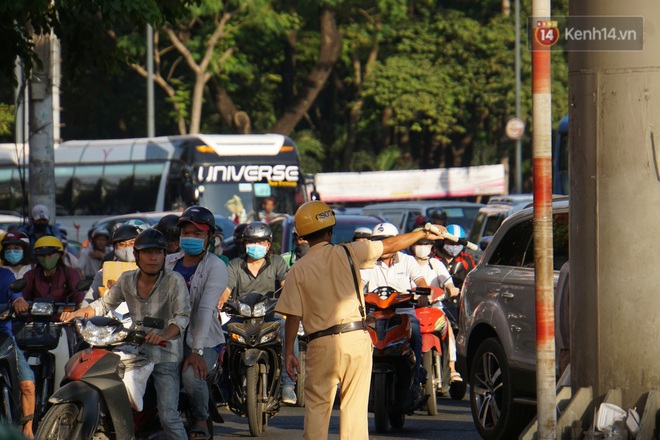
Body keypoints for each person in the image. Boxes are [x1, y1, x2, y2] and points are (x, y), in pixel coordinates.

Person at [275, 201, 447, 440]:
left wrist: (289, 353)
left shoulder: (298, 269)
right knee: (355, 415)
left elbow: (292, 316)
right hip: (356, 339)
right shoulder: (349, 252)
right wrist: (423, 233)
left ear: (301, 236)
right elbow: (390, 244)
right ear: (330, 231)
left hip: (321, 345)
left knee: (317, 410)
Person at [61, 229, 191, 440]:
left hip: (165, 355)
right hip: (133, 350)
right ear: (137, 255)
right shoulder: (127, 279)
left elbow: (182, 317)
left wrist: (164, 335)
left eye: (158, 252)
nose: (154, 257)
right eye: (147, 252)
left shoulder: (174, 280)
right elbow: (104, 304)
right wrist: (75, 314)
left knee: (168, 417)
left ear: (164, 256)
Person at [165, 206, 228, 440]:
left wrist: (197, 350)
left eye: (197, 234)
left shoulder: (216, 266)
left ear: (210, 237)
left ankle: (200, 417)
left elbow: (204, 310)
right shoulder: (168, 262)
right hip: (168, 335)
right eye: (186, 233)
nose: (190, 238)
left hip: (204, 339)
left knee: (192, 375)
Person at [219, 222, 295, 403]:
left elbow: (287, 287)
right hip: (240, 317)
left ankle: (287, 384)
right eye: (252, 242)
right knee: (221, 336)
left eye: (261, 242)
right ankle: (224, 386)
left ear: (268, 245)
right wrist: (221, 301)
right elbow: (226, 290)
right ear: (244, 244)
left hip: (270, 315)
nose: (256, 246)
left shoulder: (277, 263)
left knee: (287, 328)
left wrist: (289, 299)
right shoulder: (235, 265)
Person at [360, 223, 429, 406]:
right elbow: (359, 284)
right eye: (379, 241)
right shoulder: (368, 263)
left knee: (415, 333)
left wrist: (422, 293)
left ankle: (413, 383)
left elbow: (420, 280)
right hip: (375, 314)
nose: (384, 244)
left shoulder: (407, 261)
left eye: (388, 241)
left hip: (403, 312)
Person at [409, 235, 462, 382]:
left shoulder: (436, 264)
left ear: (432, 247)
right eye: (419, 243)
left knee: (449, 331)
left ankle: (452, 368)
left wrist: (451, 289)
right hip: (412, 312)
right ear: (412, 246)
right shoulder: (407, 263)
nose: (423, 247)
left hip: (436, 310)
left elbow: (447, 281)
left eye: (426, 244)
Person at [0, 266, 35, 438]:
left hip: (4, 338)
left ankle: (28, 430)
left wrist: (20, 303)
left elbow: (17, 298)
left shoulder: (5, 275)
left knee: (27, 384)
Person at [85, 224, 141, 302]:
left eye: (132, 244)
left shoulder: (149, 267)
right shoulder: (105, 271)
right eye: (122, 244)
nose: (128, 248)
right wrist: (81, 312)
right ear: (115, 247)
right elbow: (90, 297)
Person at [22, 236, 84, 304]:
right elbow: (23, 296)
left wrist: (81, 302)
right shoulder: (30, 275)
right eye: (42, 255)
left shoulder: (69, 273)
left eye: (50, 254)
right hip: (35, 313)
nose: (46, 258)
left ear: (59, 254)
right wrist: (20, 303)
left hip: (64, 313)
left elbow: (78, 292)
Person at [435, 224, 476, 290]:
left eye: (458, 244)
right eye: (451, 243)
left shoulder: (466, 258)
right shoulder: (433, 256)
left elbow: (474, 279)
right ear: (443, 241)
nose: (454, 246)